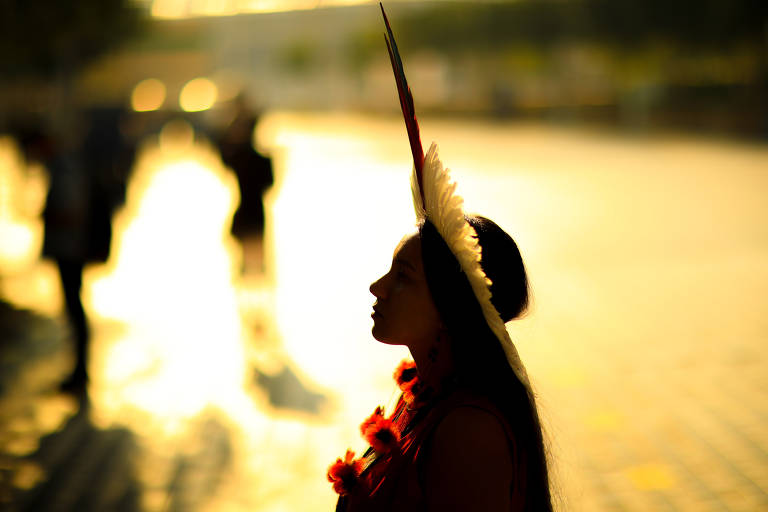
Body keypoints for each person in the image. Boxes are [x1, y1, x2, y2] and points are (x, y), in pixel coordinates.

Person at [327, 5, 553, 511]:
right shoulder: (428, 396)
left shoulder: (468, 429)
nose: (376, 287)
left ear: (453, 307)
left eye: (402, 277)